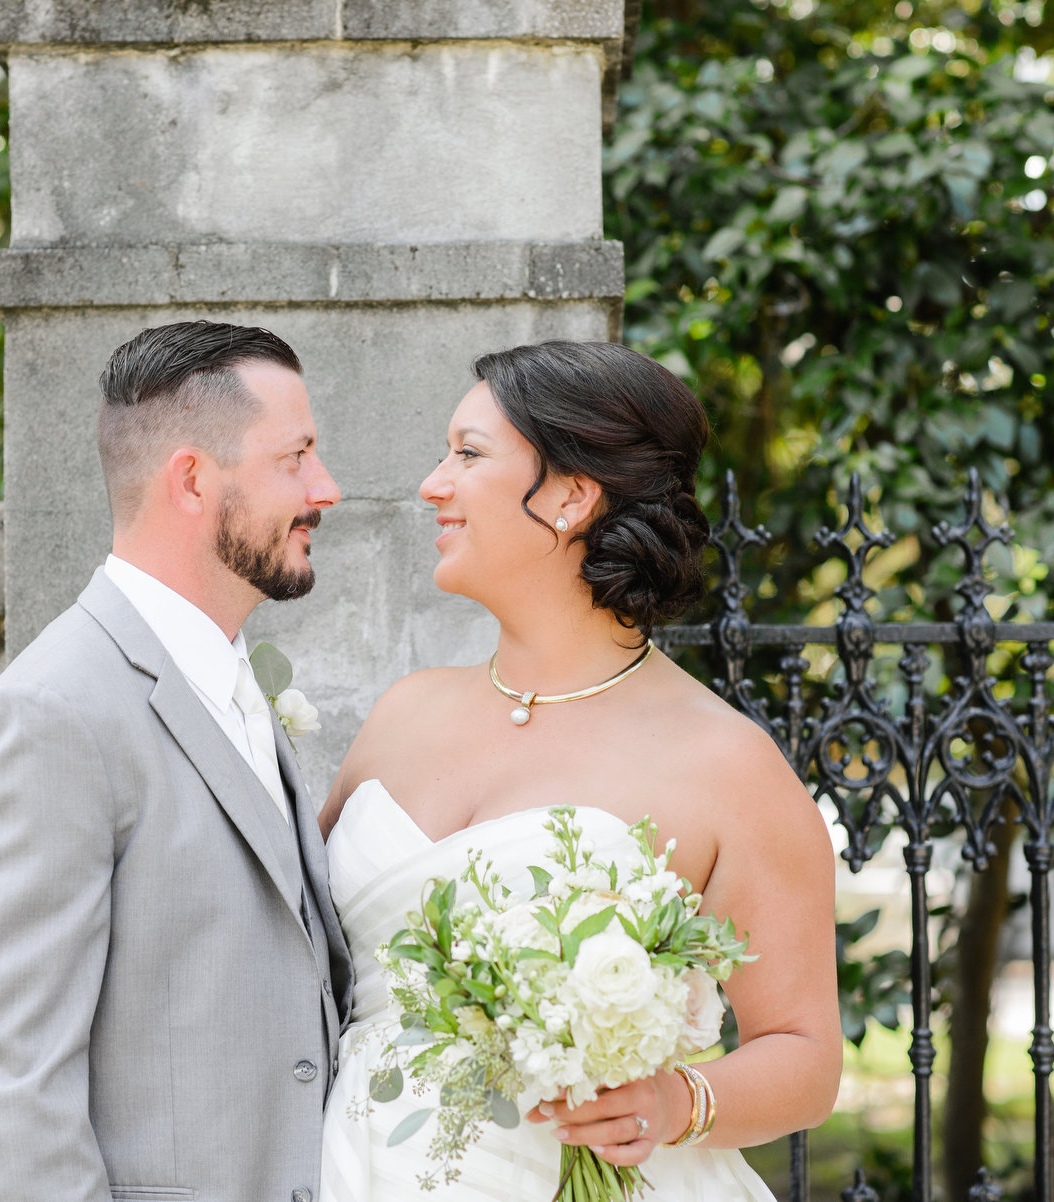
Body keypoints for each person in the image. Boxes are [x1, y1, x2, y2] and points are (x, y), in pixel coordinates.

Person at [318, 340, 842, 1201]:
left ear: (570, 495)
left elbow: (806, 1055)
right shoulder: (403, 713)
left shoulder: (724, 764)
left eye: (469, 453)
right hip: (357, 1169)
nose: (432, 483)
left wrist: (676, 1101)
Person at [0, 320, 353, 1202]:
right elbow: (13, 1079)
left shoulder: (233, 676)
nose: (327, 489)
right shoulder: (56, 713)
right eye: (296, 459)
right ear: (194, 479)